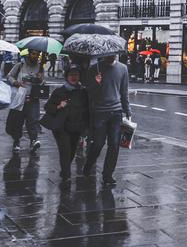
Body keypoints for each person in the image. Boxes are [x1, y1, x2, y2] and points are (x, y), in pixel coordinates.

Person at [83, 53, 132, 185]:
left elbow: (124, 91)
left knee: (114, 145)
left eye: (114, 53)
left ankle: (107, 174)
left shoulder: (123, 68)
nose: (112, 55)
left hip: (116, 112)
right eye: (109, 54)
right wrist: (96, 83)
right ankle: (88, 164)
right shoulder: (95, 68)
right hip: (99, 112)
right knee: (98, 144)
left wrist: (127, 110)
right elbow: (88, 92)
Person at [44, 64, 90, 183]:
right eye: (71, 75)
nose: (74, 77)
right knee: (65, 150)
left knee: (72, 151)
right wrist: (59, 106)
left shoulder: (83, 92)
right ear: (66, 76)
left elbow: (87, 109)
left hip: (76, 127)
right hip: (61, 128)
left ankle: (65, 169)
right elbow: (48, 107)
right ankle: (66, 175)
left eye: (76, 75)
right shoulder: (60, 91)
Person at [7, 50, 47, 154]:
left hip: (33, 99)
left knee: (33, 121)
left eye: (37, 54)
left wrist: (40, 79)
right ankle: (16, 142)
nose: (36, 56)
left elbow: (43, 84)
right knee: (18, 122)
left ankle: (33, 141)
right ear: (29, 54)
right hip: (20, 98)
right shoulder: (20, 65)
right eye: (34, 54)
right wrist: (15, 82)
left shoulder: (40, 67)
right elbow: (9, 76)